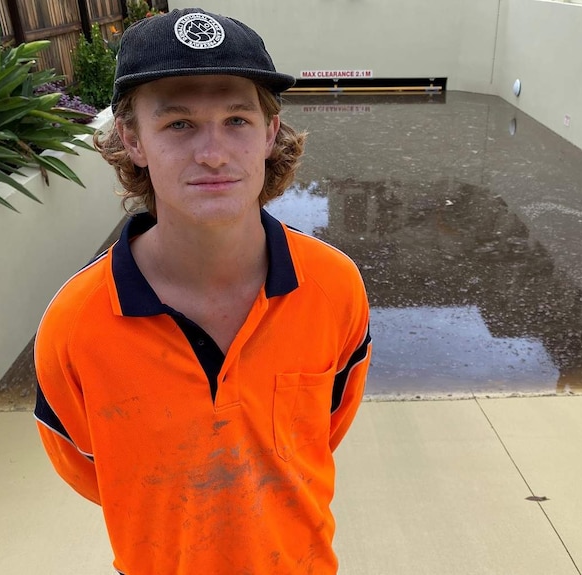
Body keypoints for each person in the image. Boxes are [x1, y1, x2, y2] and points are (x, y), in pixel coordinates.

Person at [33, 8, 372, 575]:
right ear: (132, 139)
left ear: (269, 133)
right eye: (179, 124)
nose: (213, 152)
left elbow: (324, 429)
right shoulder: (76, 323)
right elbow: (91, 467)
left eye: (237, 119)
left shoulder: (333, 287)